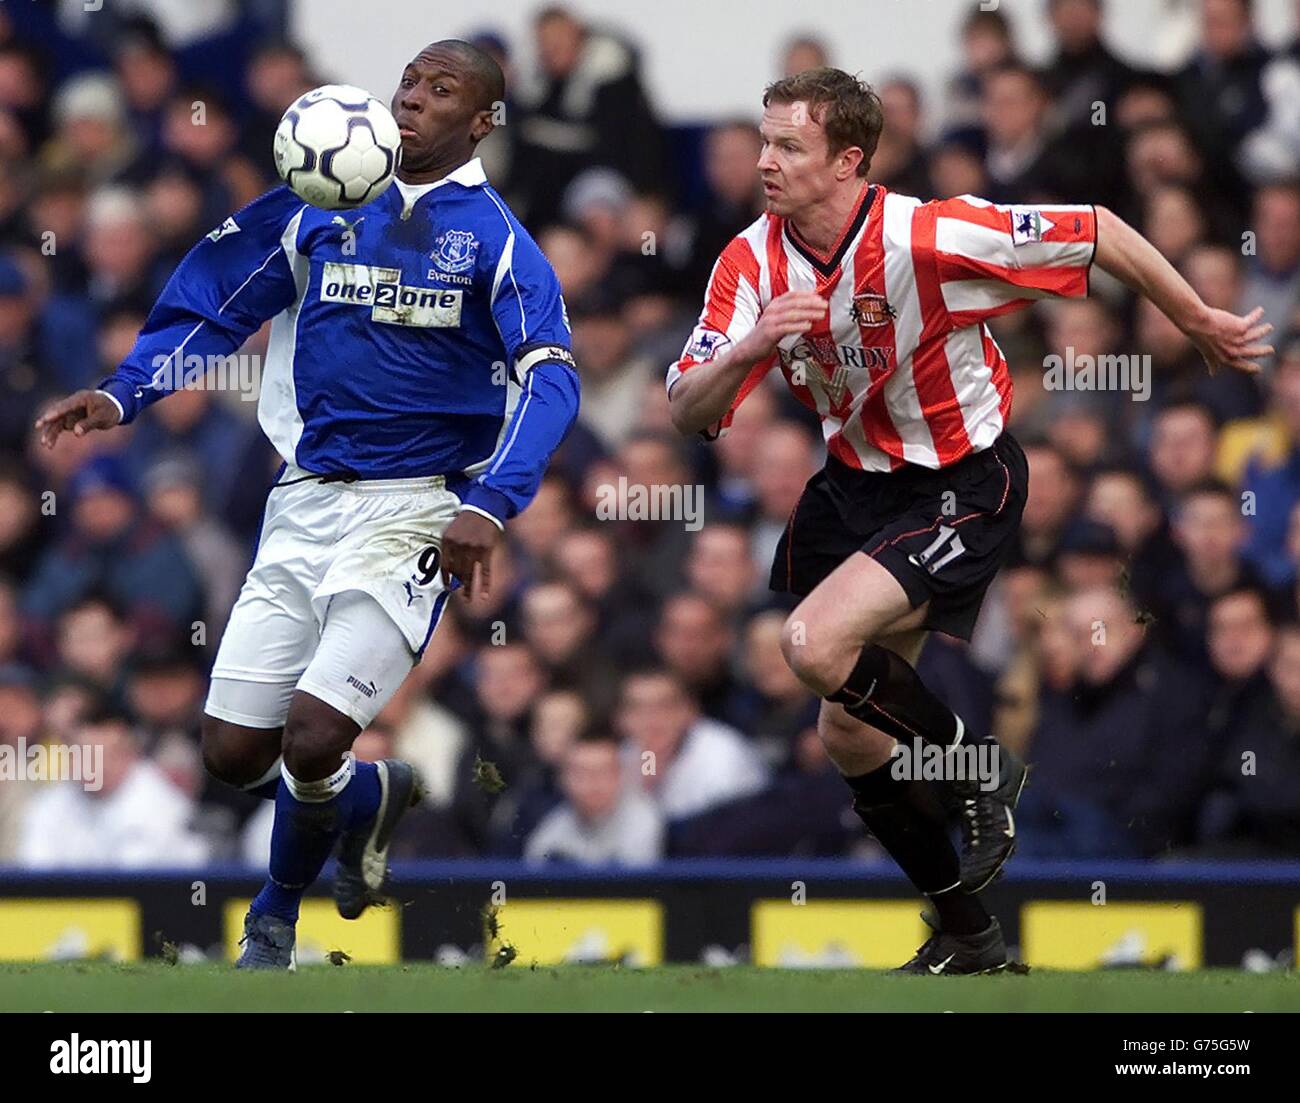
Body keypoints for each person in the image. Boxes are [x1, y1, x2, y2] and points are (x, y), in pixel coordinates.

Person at [665, 67, 1272, 974]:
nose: (765, 162)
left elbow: (1097, 230)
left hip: (961, 480)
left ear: (849, 162)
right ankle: (967, 931)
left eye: (788, 146)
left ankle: (984, 769)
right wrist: (753, 344)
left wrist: (1195, 319)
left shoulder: (927, 236)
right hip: (854, 485)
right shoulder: (749, 261)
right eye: (763, 140)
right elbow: (686, 408)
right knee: (845, 731)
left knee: (809, 646)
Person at [33, 41, 580, 969]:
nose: (411, 100)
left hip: (414, 509)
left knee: (315, 729)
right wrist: (126, 391)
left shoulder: (496, 240)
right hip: (303, 500)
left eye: (441, 91)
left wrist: (491, 502)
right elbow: (216, 298)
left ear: (482, 121)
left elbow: (551, 379)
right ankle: (365, 798)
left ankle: (272, 922)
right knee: (232, 754)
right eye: (408, 81)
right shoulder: (317, 203)